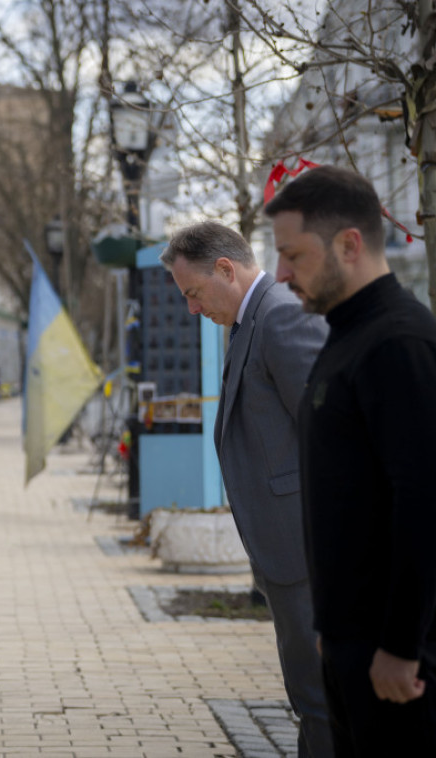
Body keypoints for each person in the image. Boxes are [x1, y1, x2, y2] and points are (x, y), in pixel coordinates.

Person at [265, 165, 436, 756]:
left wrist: (401, 646)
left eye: (293, 255)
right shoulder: (346, 335)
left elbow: (424, 502)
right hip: (351, 649)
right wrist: (332, 630)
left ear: (349, 244)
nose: (281, 274)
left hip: (399, 668)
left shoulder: (399, 344)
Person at [160, 222, 332, 757]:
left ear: (226, 269)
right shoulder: (253, 318)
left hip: (309, 552)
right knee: (312, 696)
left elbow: (334, 437)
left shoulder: (280, 315)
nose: (192, 308)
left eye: (194, 292)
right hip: (291, 551)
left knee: (321, 698)